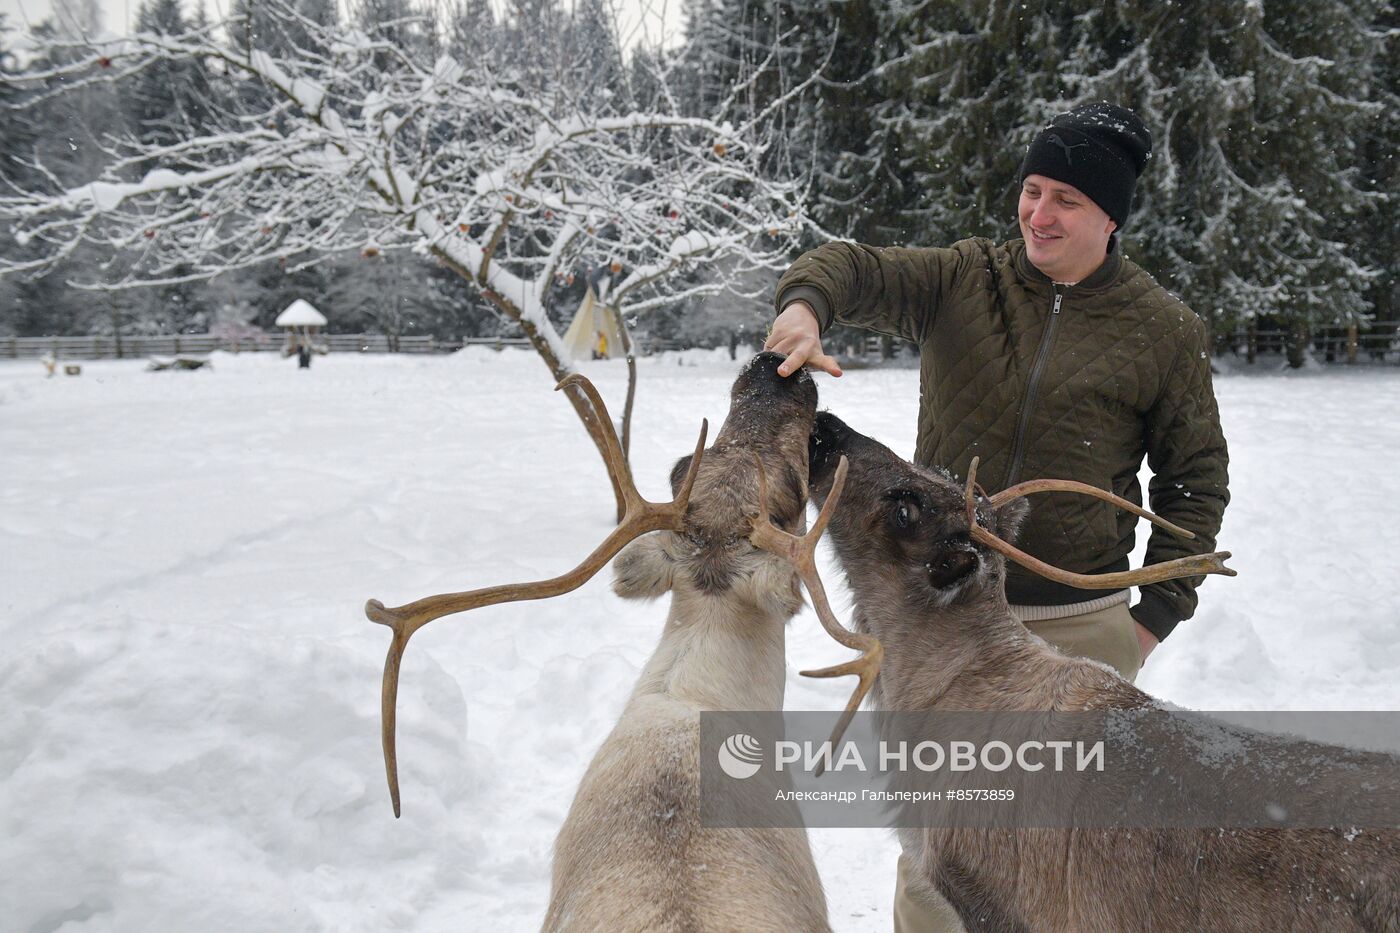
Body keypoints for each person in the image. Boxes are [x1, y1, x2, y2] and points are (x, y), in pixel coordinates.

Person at [765, 101, 1229, 932]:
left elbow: (1194, 484)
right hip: (941, 620)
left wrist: (1149, 621)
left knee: (1067, 858)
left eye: (1067, 201)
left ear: (1111, 217)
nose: (1038, 215)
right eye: (1033, 189)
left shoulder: (1164, 330)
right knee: (943, 858)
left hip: (1075, 628)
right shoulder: (961, 279)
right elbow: (853, 266)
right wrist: (806, 304)